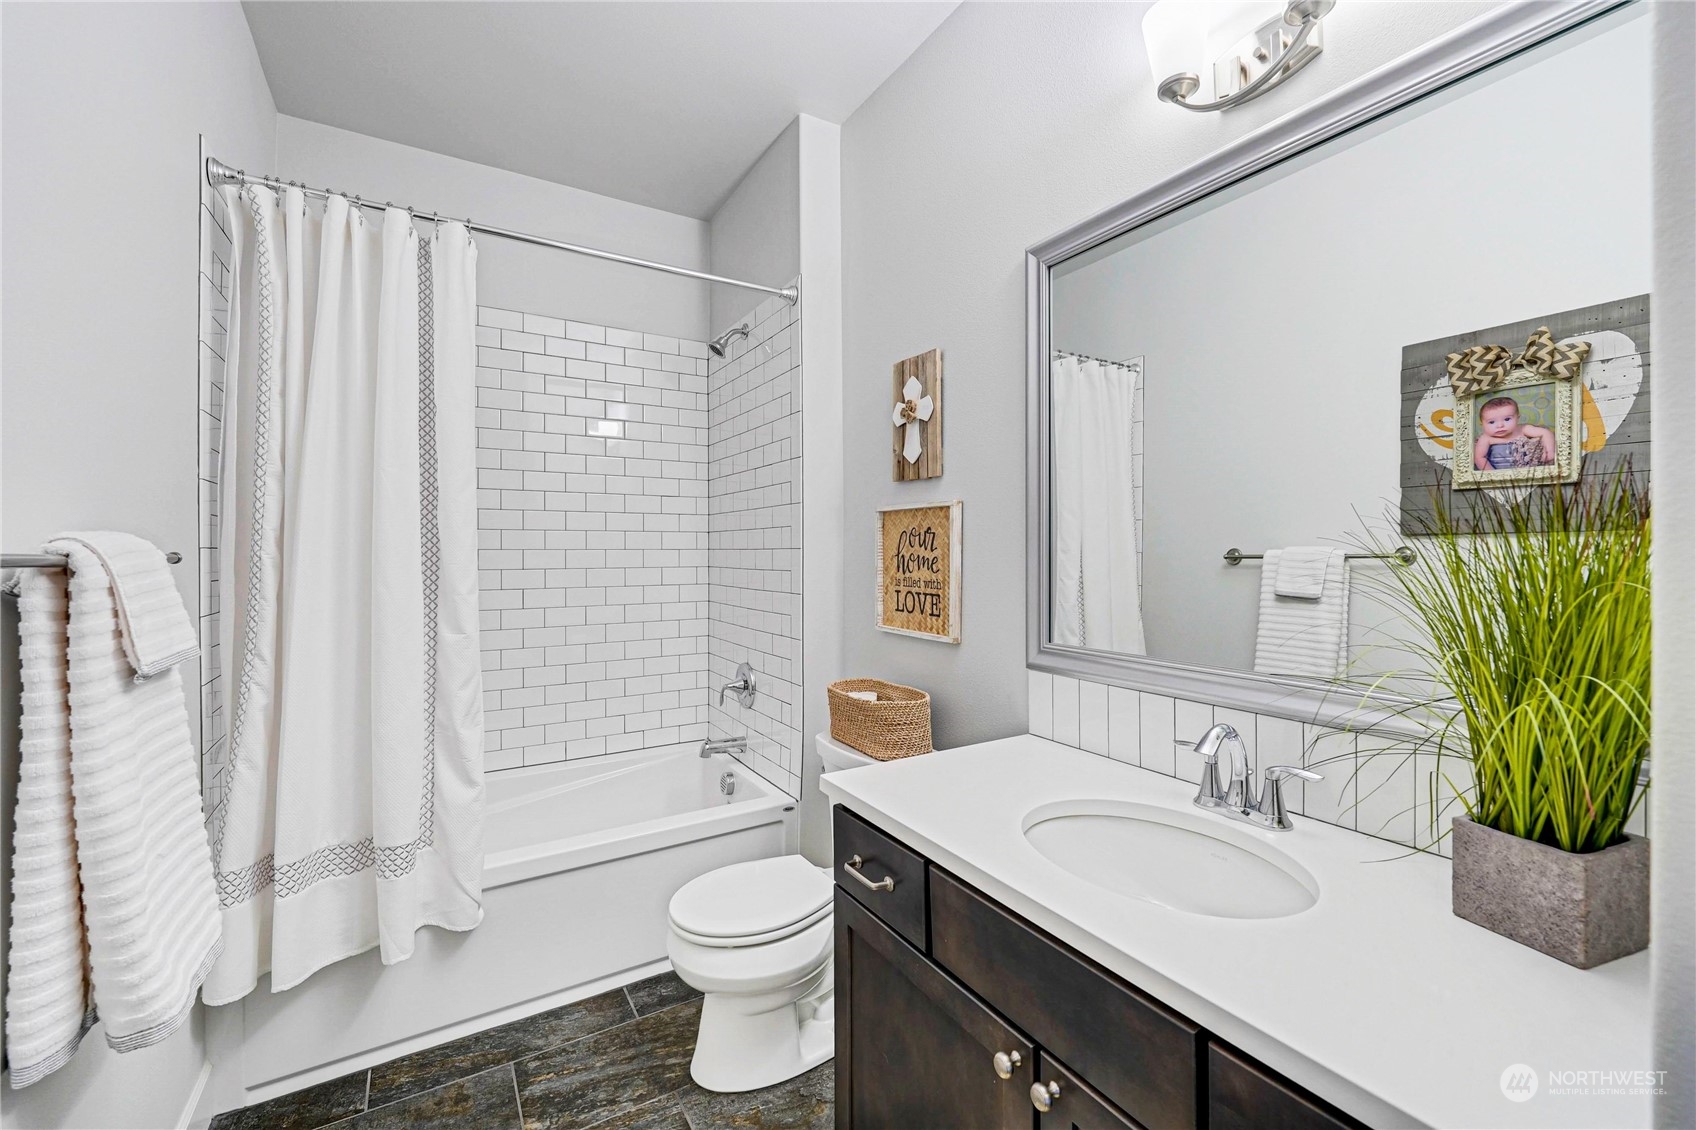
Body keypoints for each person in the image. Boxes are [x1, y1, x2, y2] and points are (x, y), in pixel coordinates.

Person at [1473, 395, 1555, 471]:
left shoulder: (1522, 429)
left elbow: (1545, 433)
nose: (1500, 425)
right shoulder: (1486, 438)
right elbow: (1479, 458)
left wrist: (1550, 451)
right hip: (1499, 474)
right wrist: (1492, 475)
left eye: (1507, 419)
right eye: (1491, 422)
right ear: (1482, 425)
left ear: (1517, 418)